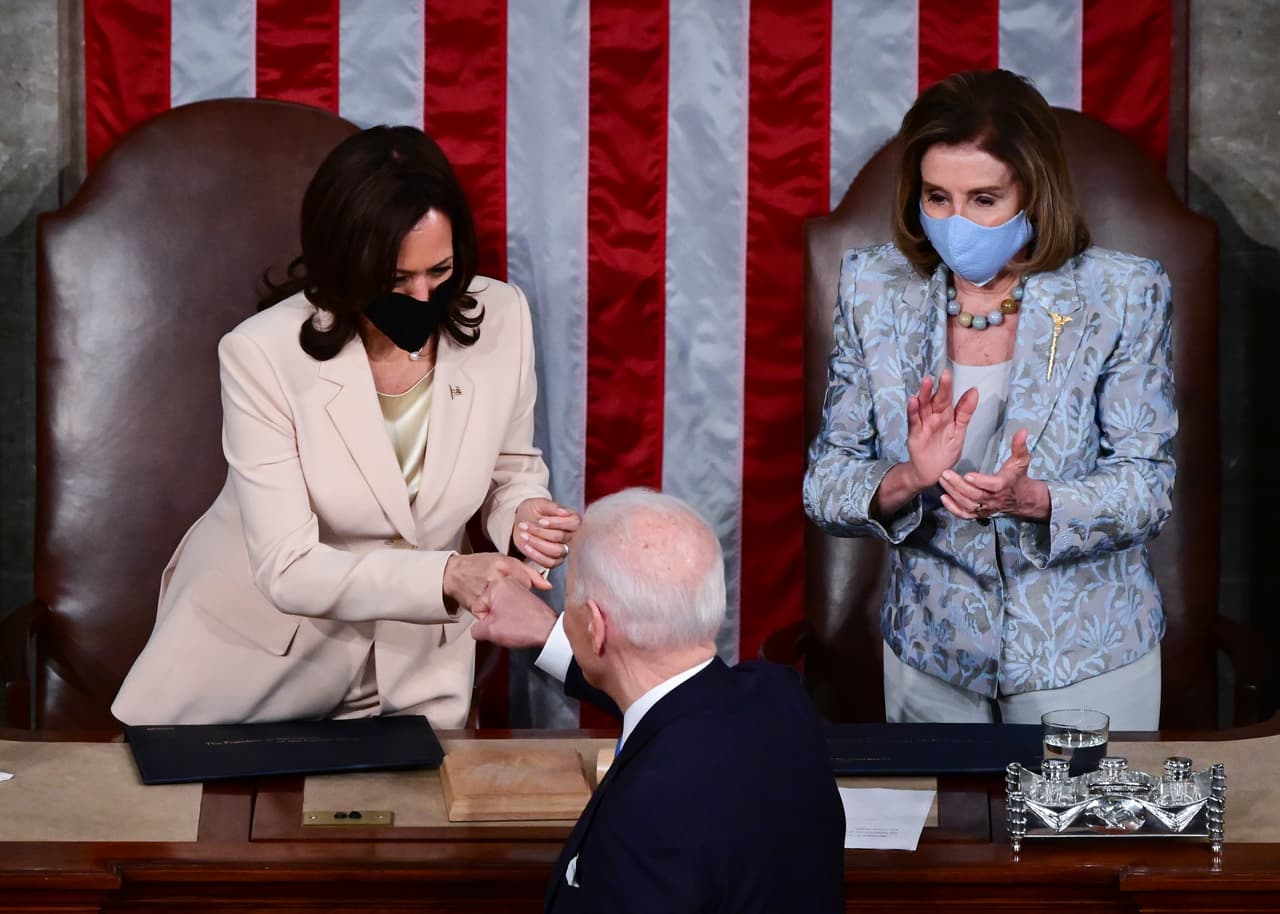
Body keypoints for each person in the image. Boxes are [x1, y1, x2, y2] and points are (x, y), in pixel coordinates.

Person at [112, 126, 579, 729]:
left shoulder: (502, 318)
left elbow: (509, 467)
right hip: (256, 669)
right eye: (394, 280)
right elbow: (288, 566)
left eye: (439, 272)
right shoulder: (260, 354)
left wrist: (522, 514)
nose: (420, 296)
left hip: (416, 673)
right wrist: (446, 574)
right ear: (343, 263)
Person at [803, 70, 1175, 730]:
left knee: (1084, 837)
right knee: (946, 836)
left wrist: (1034, 500)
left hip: (1085, 656)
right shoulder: (873, 288)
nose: (957, 223)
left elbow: (1147, 487)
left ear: (1035, 191)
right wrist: (906, 478)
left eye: (984, 199)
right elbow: (826, 484)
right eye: (937, 197)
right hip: (932, 652)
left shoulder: (1122, 294)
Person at [470, 488, 845, 914]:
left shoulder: (646, 818)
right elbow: (675, 702)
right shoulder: (779, 696)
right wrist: (549, 633)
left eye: (570, 599)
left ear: (595, 626)